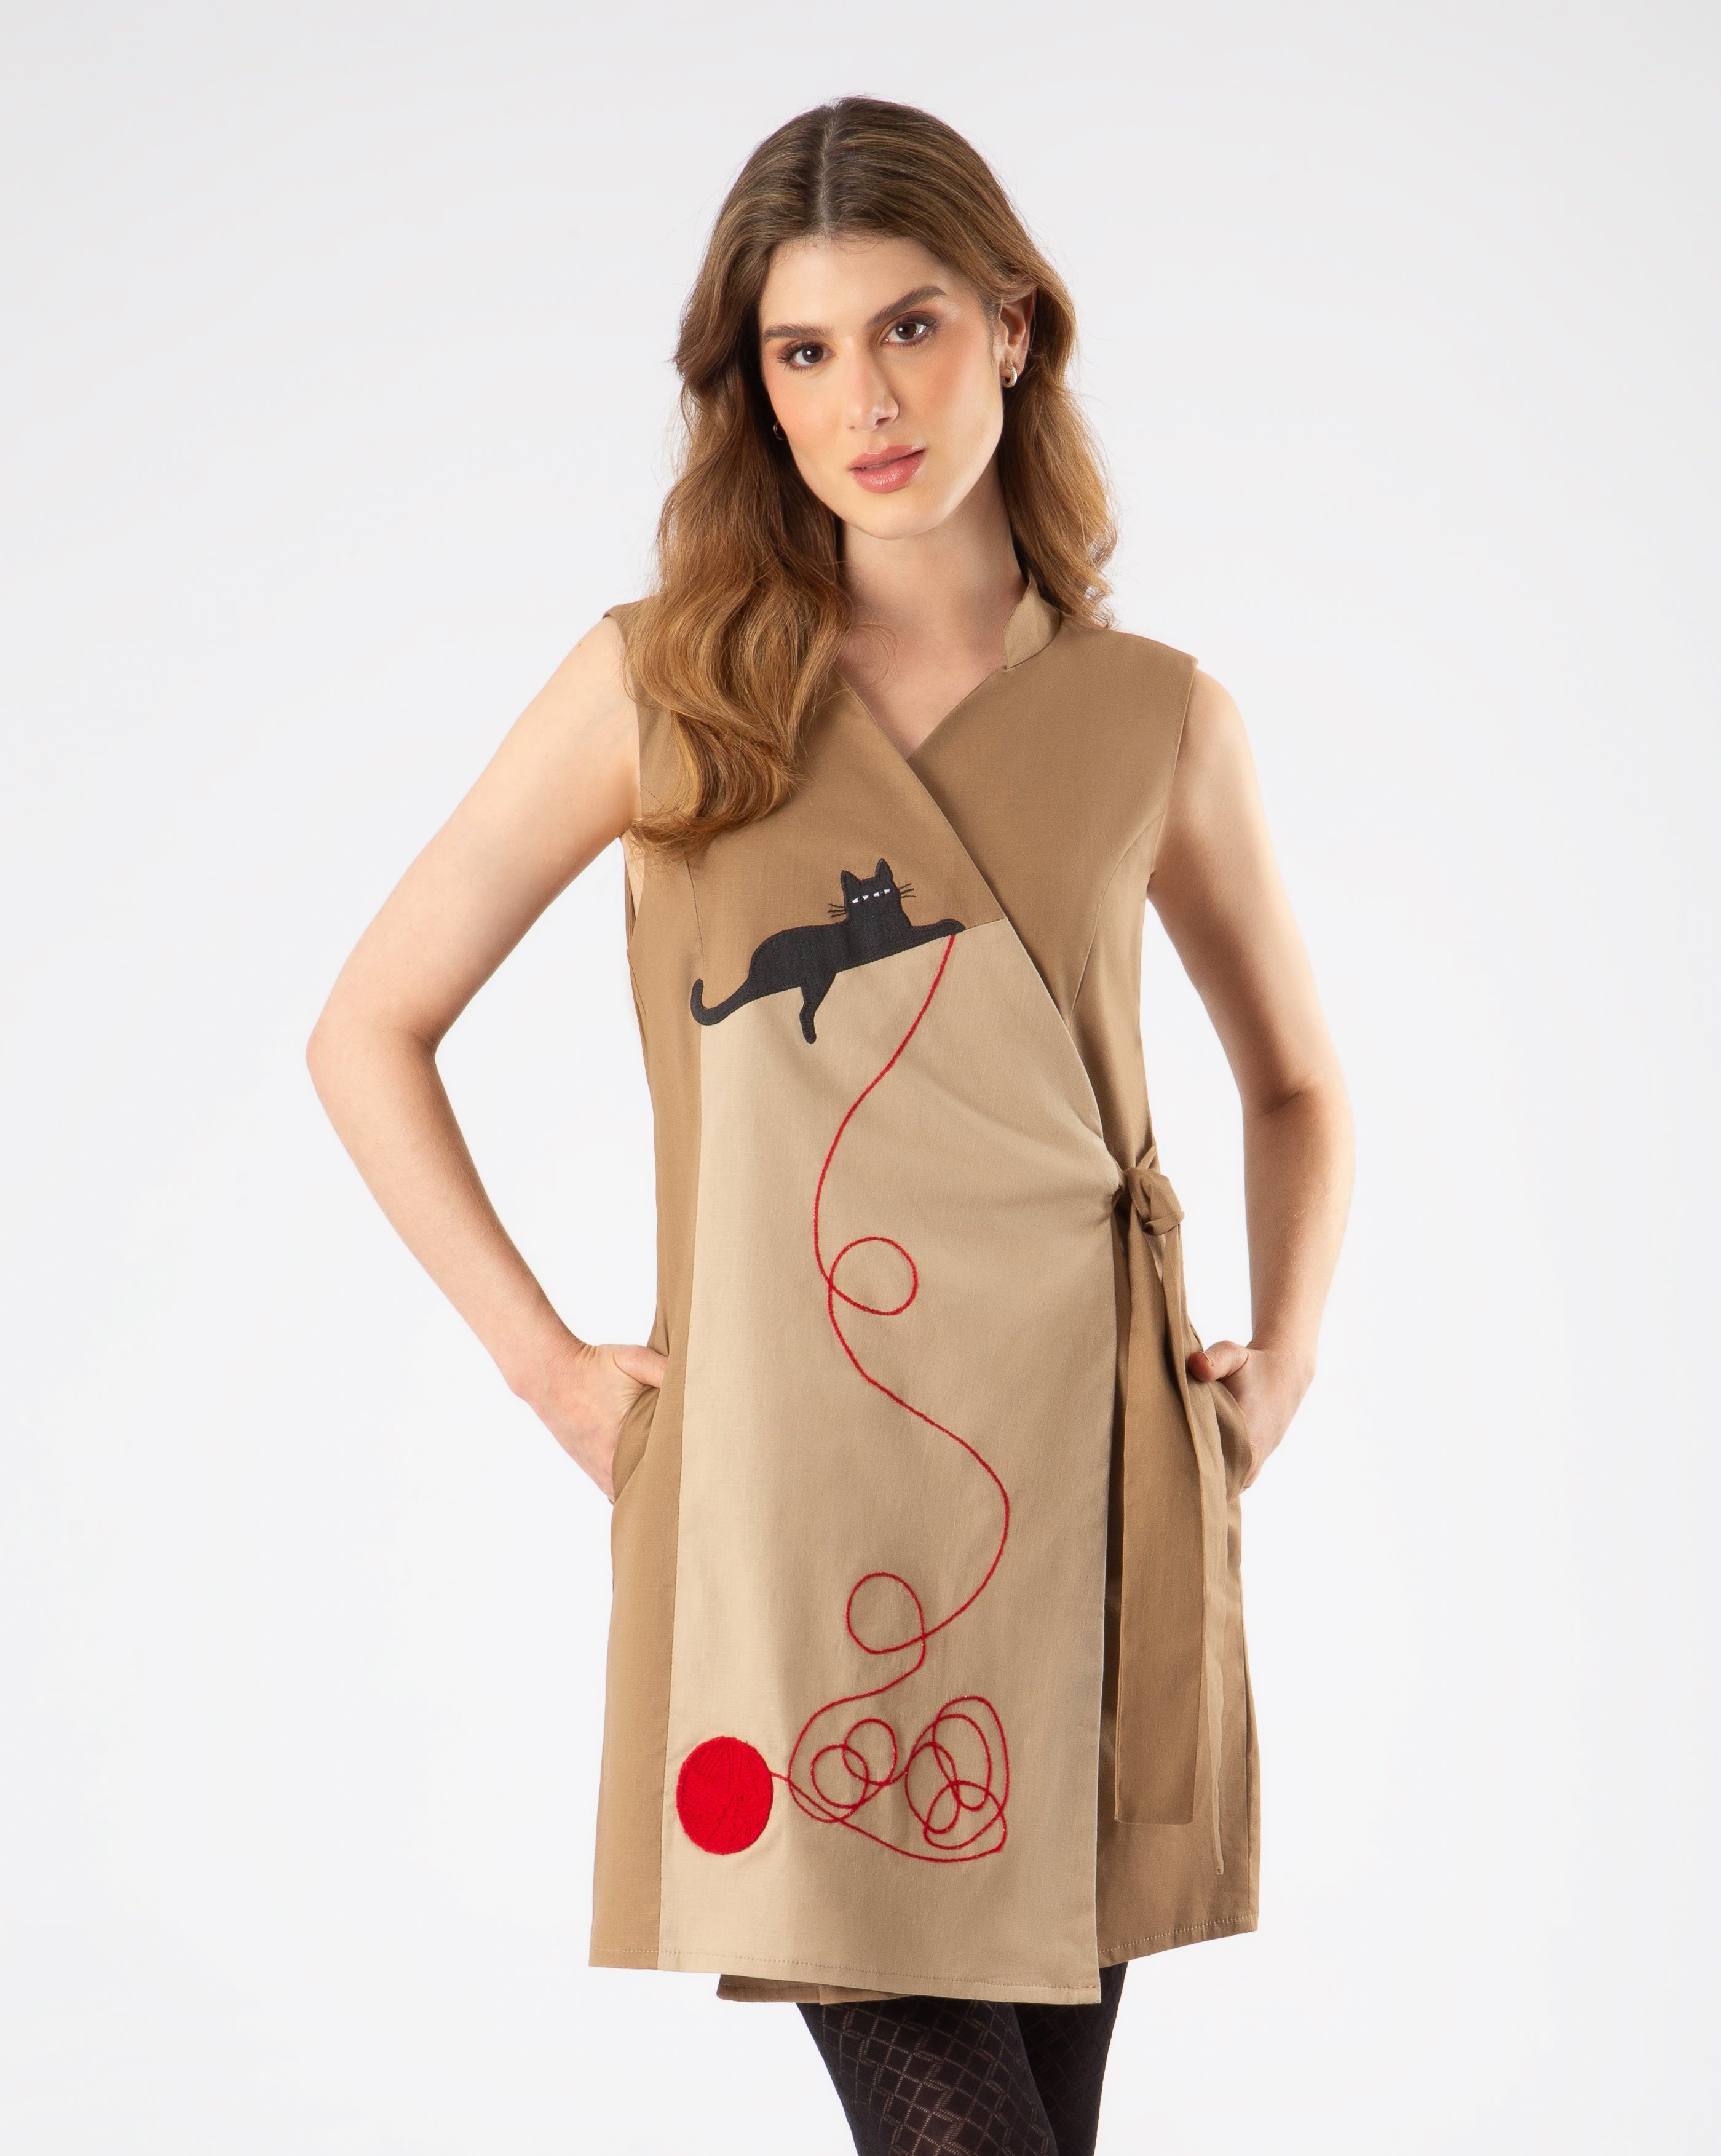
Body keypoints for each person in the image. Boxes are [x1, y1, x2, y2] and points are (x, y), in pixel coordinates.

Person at [307, 95, 1353, 2156]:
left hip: (1093, 1496)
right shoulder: (664, 687)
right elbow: (369, 1028)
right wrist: (551, 1371)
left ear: (1014, 330)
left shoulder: (1160, 715)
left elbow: (1297, 1076)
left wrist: (1286, 1358)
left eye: (911, 328)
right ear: (753, 383)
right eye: (804, 349)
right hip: (797, 1514)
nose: (863, 399)